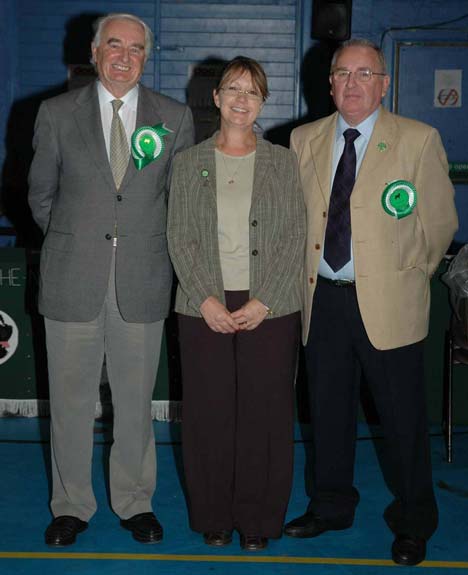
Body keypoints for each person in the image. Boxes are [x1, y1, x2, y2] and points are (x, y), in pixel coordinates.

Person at [284, 39, 457, 566]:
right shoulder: (301, 139)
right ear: (329, 83)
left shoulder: (419, 139)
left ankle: (413, 521)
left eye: (365, 74)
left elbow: (439, 225)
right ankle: (331, 506)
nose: (353, 83)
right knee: (329, 413)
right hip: (323, 302)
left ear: (384, 84)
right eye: (343, 73)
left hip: (389, 302)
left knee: (403, 421)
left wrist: (402, 277)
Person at [28, 13, 194, 546]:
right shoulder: (55, 114)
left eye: (137, 49)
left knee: (135, 403)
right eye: (114, 46)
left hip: (142, 281)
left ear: (149, 57)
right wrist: (81, 239)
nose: (125, 57)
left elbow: (179, 199)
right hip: (73, 279)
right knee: (71, 403)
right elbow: (41, 196)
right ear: (95, 52)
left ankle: (134, 501)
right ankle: (71, 505)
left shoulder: (175, 116)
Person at [167, 56, 305, 551]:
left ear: (263, 102)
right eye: (233, 89)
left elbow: (294, 236)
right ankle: (214, 516)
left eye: (253, 91)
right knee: (209, 413)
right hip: (202, 304)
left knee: (265, 416)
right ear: (216, 97)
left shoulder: (284, 161)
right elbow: (179, 237)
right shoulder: (188, 163)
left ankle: (259, 520)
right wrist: (205, 298)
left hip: (271, 304)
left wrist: (264, 300)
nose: (241, 99)